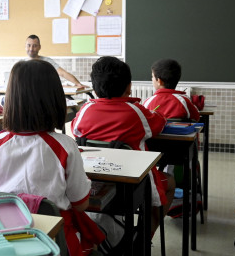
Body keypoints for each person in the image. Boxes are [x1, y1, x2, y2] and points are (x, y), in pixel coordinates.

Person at [0, 58, 103, 256]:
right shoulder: (65, 145)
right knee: (96, 246)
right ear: (55, 99)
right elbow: (81, 203)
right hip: (53, 252)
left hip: (4, 248)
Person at [71, 56, 170, 234]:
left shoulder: (85, 110)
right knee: (169, 182)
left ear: (94, 87)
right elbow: (159, 124)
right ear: (129, 86)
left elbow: (75, 130)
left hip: (92, 184)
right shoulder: (136, 112)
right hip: (131, 187)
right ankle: (141, 242)